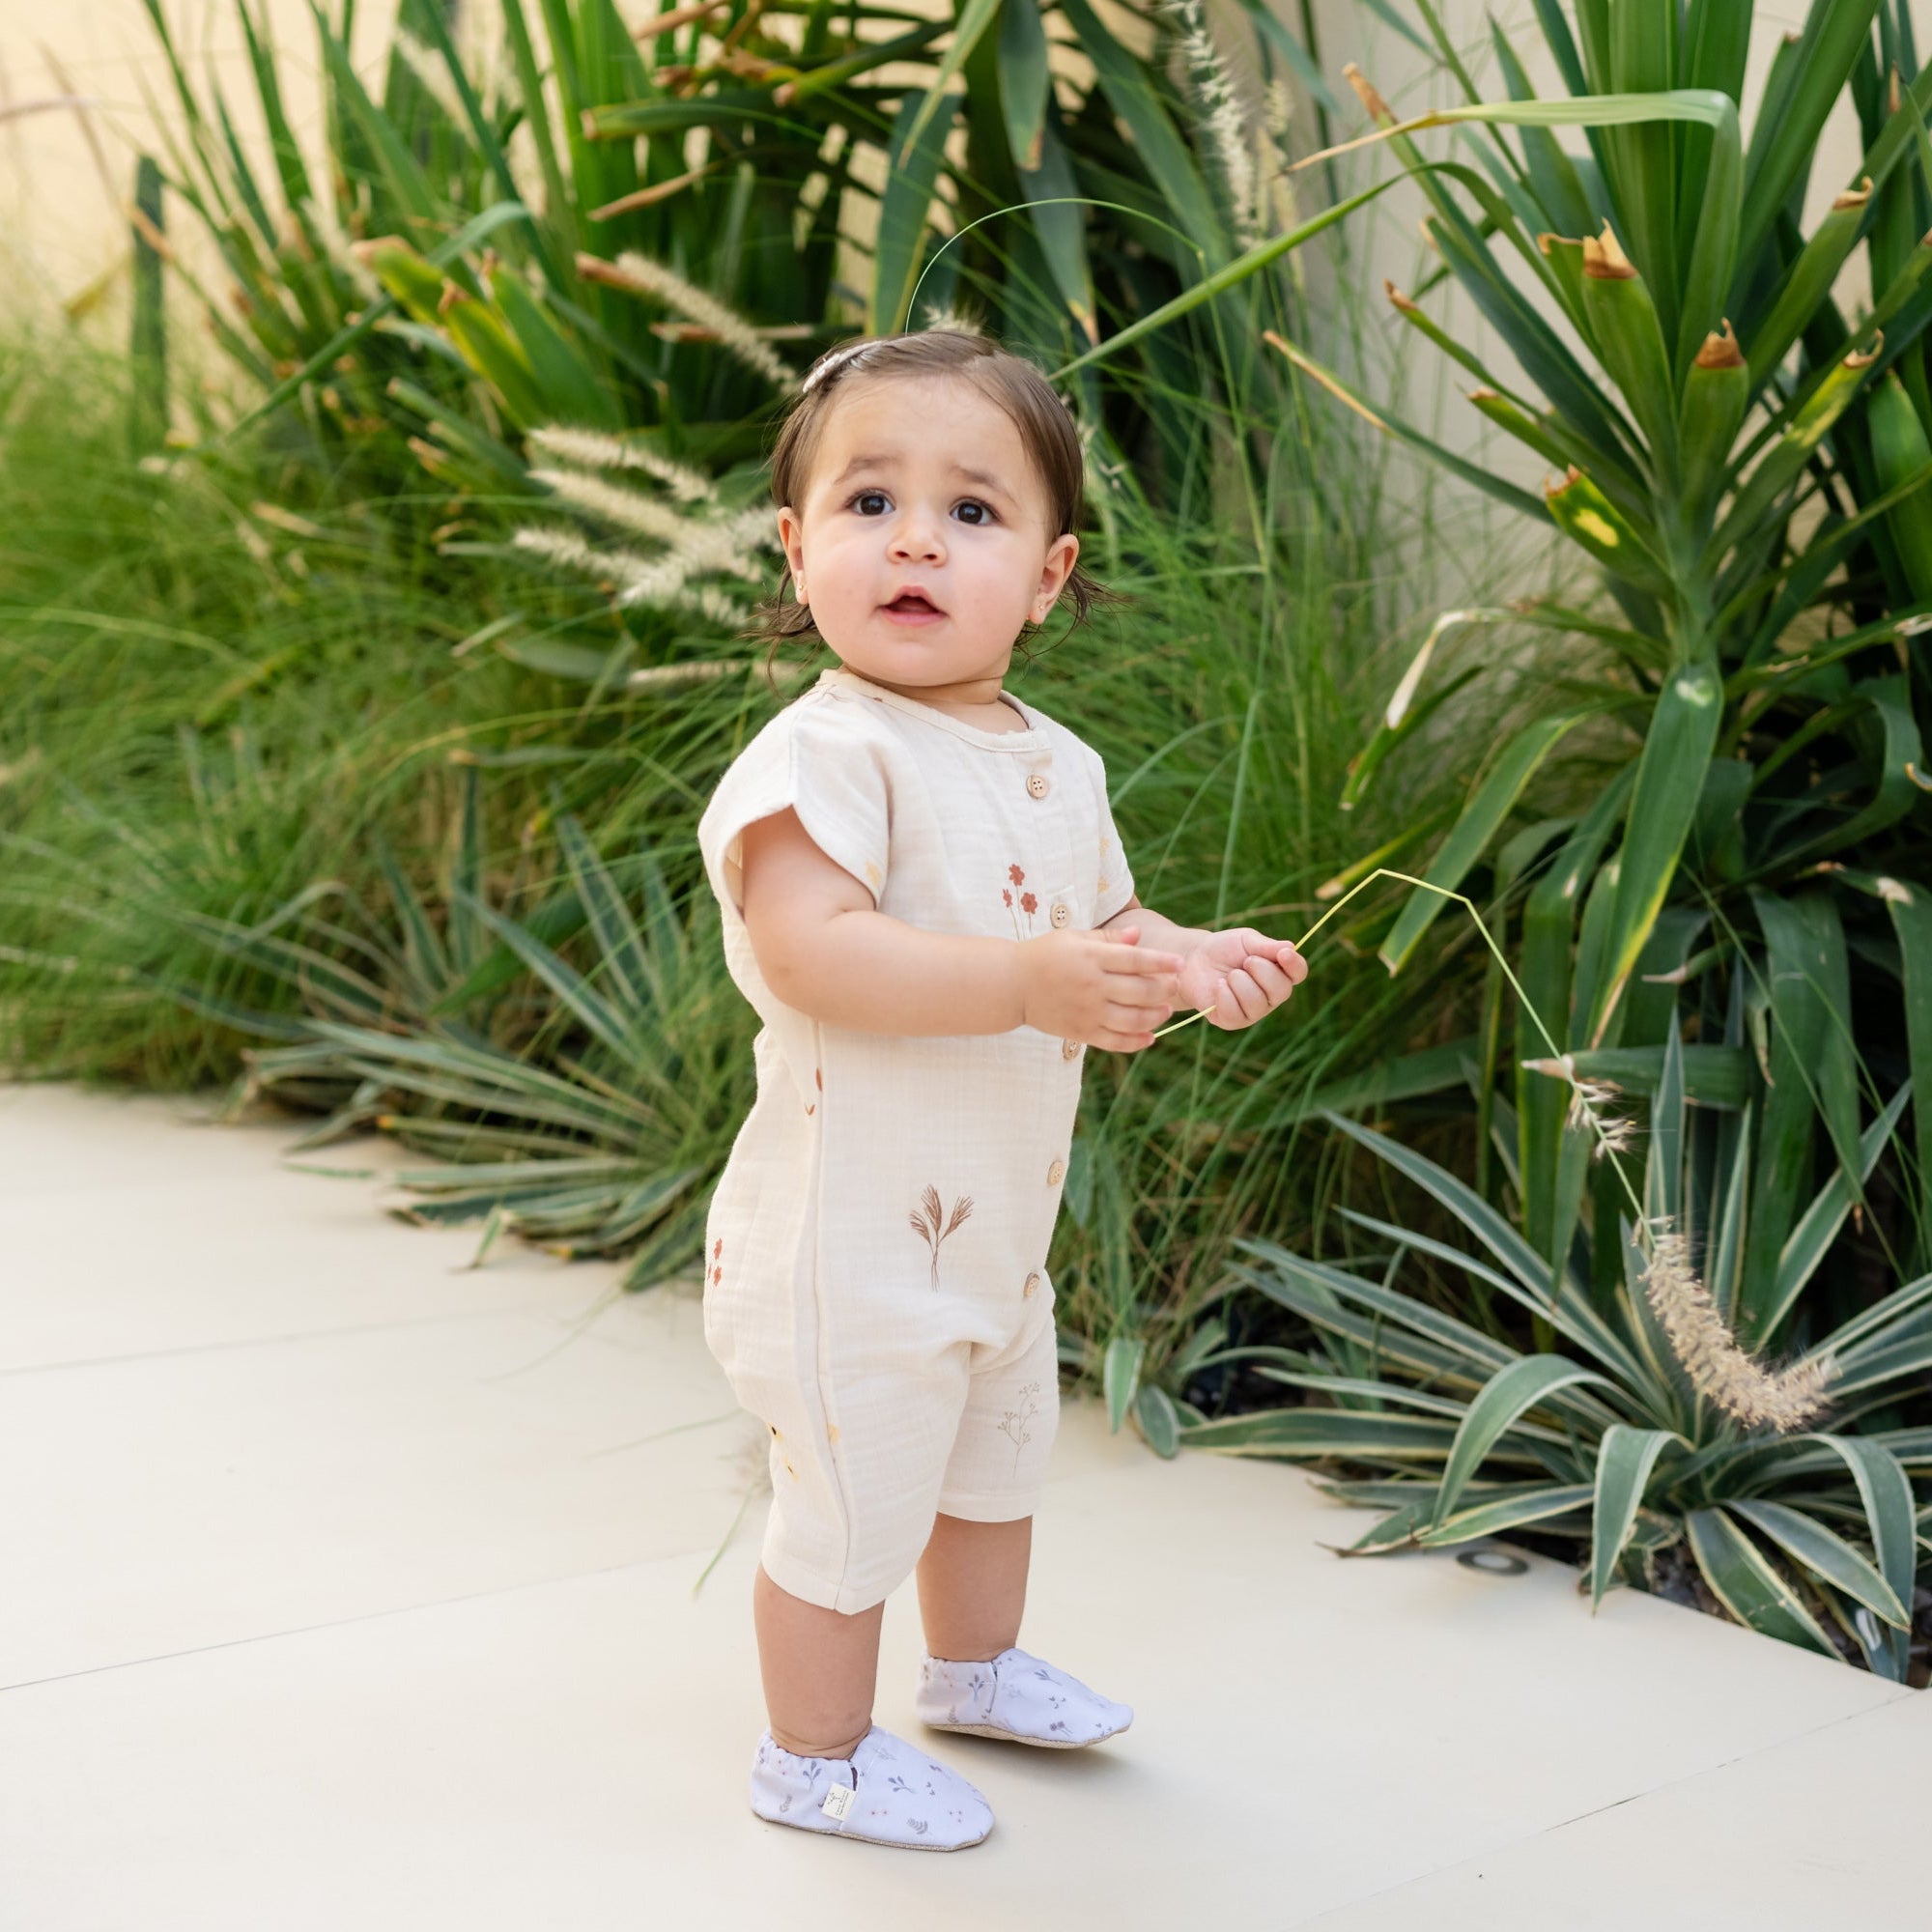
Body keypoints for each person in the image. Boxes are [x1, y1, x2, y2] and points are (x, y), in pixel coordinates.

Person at [695, 327, 1308, 1851]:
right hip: (850, 1250)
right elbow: (815, 951)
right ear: (797, 549)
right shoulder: (822, 755)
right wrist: (1030, 985)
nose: (915, 538)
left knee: (992, 1457)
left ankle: (972, 1669)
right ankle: (813, 1756)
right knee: (854, 1504)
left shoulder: (1059, 763)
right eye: (869, 502)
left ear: (1047, 573)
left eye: (971, 510)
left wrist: (1184, 960)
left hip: (992, 1237)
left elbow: (1103, 924)